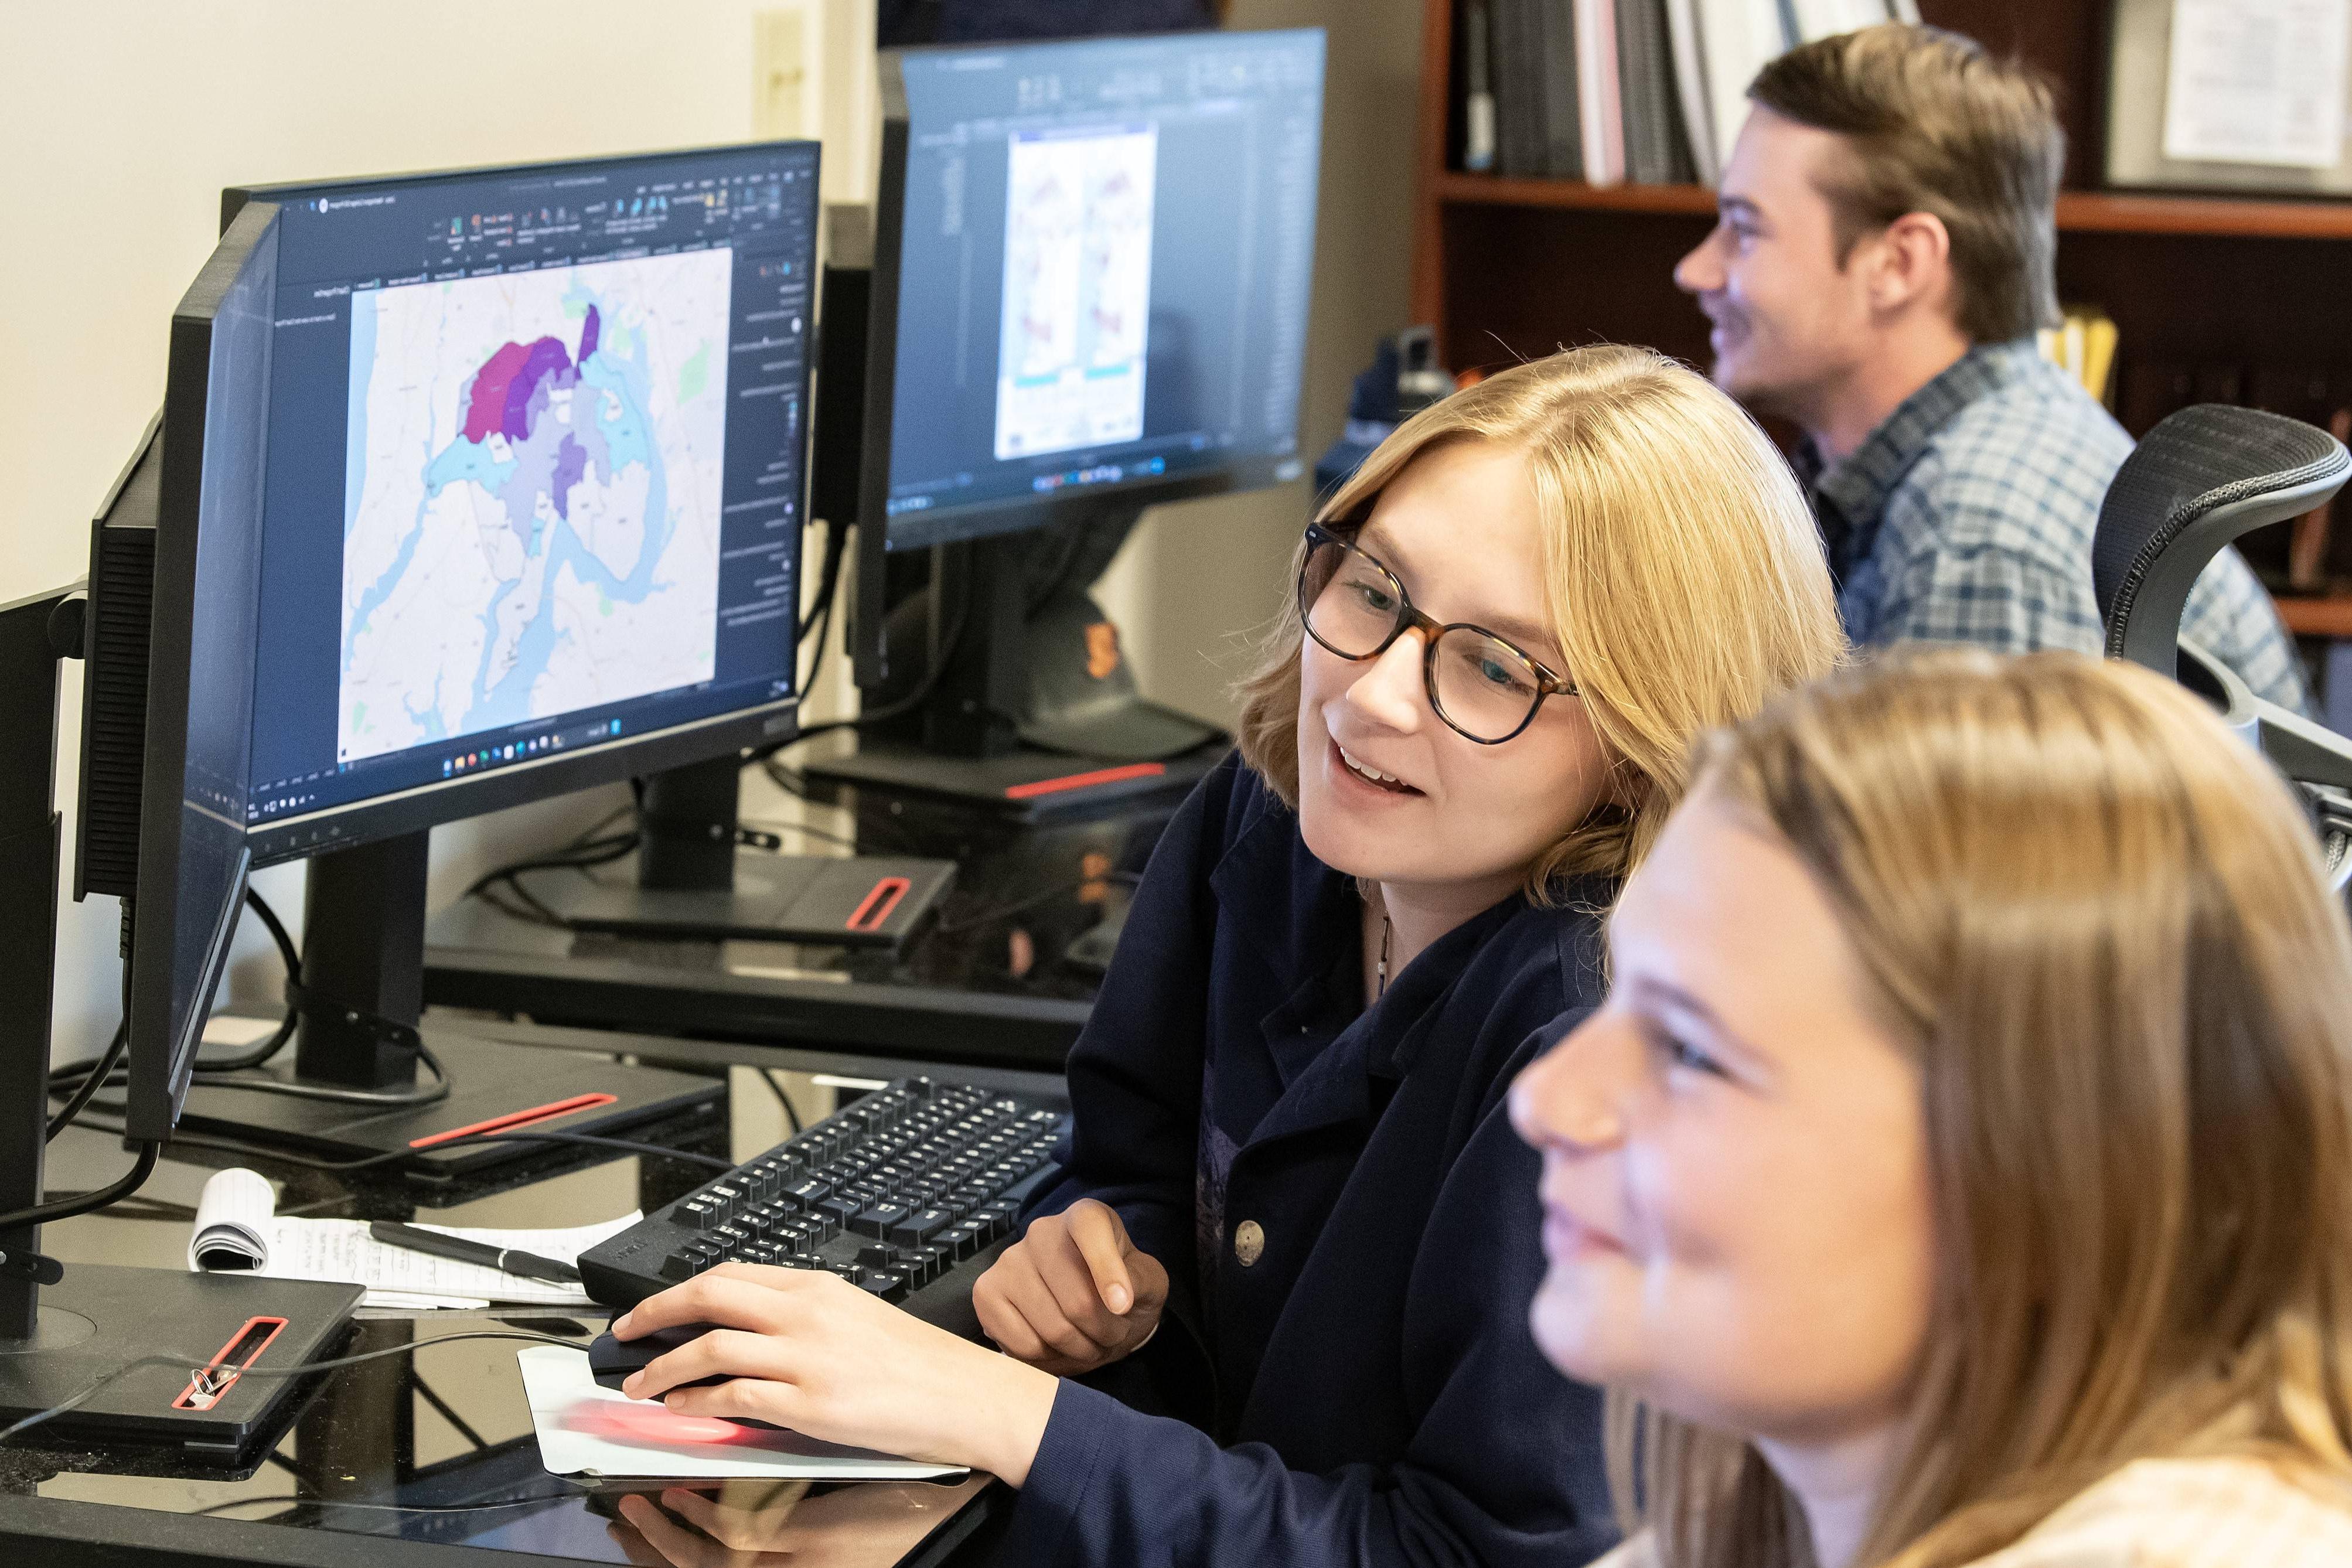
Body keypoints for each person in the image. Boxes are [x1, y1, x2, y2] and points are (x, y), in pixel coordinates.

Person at [608, 343, 1846, 1567]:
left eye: (1492, 667)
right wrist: (1098, 1249)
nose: (1369, 700)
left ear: (1646, 742)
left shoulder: (1605, 1046)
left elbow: (1461, 1557)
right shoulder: (1275, 823)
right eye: (1373, 591)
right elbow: (1126, 1158)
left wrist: (998, 1413)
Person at [1512, 647, 2352, 1568]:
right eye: (1619, 995)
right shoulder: (1750, 1530)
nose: (1545, 1100)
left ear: (2059, 1174)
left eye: (1689, 1051)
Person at [1675, 23, 2309, 712]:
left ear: (1899, 263)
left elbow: (1943, 827)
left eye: (1744, 228)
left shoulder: (1978, 539)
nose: (1696, 269)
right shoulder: (1922, 465)